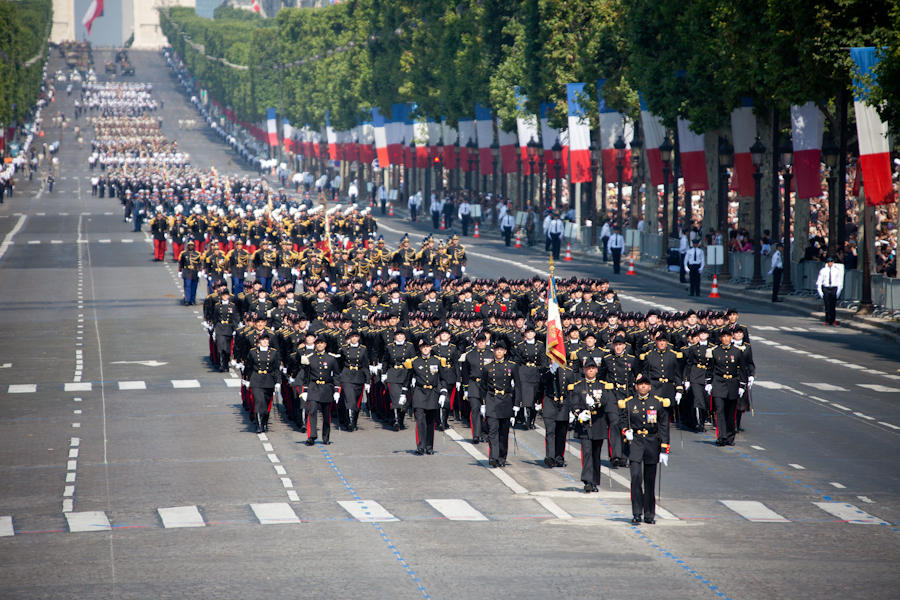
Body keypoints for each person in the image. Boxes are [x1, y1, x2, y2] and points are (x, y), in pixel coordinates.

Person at [618, 373, 670, 524]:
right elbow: (622, 421)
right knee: (635, 478)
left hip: (652, 443)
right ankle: (636, 513)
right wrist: (625, 431)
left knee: (649, 481)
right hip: (636, 443)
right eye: (640, 384)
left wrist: (664, 450)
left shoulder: (658, 403)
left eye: (646, 384)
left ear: (650, 386)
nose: (643, 386)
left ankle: (649, 514)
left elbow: (663, 427)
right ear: (636, 386)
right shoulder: (629, 403)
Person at [567, 358, 612, 493]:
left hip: (598, 423)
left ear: (596, 370)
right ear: (584, 370)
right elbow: (573, 402)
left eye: (593, 368)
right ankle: (587, 480)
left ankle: (594, 481)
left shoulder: (602, 386)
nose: (590, 370)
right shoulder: (579, 386)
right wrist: (579, 414)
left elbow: (605, 401)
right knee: (587, 452)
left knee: (596, 454)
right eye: (588, 368)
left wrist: (596, 404)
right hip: (585, 425)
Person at [402, 338, 450, 455]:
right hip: (419, 392)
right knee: (420, 420)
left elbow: (443, 379)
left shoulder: (437, 361)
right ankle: (421, 446)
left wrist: (443, 393)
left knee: (430, 421)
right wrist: (403, 393)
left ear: (431, 348)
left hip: (433, 393)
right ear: (420, 348)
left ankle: (429, 446)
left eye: (427, 346)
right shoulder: (414, 361)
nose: (425, 349)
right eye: (423, 347)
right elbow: (407, 379)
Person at [704, 327, 747, 446]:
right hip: (719, 383)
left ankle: (730, 437)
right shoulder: (715, 351)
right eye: (723, 336)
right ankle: (721, 437)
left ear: (731, 337)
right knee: (720, 411)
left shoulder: (737, 351)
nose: (726, 338)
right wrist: (708, 383)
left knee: (730, 413)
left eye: (728, 336)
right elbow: (710, 369)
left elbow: (743, 369)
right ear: (720, 338)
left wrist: (742, 386)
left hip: (733, 384)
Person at [481, 339, 517, 468]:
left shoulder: (511, 366)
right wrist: (483, 404)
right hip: (492, 399)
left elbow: (517, 386)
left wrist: (516, 405)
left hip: (506, 401)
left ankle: (502, 457)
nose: (499, 352)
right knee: (493, 430)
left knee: (503, 432)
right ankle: (493, 457)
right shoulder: (487, 367)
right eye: (497, 350)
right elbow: (483, 386)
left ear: (505, 352)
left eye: (501, 350)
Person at [299, 336, 341, 445]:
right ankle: (311, 436)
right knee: (312, 411)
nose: (320, 345)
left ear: (325, 345)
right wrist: (305, 390)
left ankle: (326, 437)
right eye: (318, 343)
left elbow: (336, 375)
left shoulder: (331, 358)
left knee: (326, 415)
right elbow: (306, 376)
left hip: (326, 388)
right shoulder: (310, 358)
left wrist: (337, 390)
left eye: (322, 343)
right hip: (314, 387)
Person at [244, 333, 282, 433]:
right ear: (259, 341)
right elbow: (248, 367)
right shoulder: (252, 352)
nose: (265, 342)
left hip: (269, 379)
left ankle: (264, 422)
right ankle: (259, 425)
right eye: (263, 340)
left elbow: (276, 368)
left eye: (266, 340)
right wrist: (247, 380)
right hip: (256, 379)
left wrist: (278, 381)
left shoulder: (273, 352)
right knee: (258, 402)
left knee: (266, 403)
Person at [338, 330, 370, 432]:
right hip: (347, 375)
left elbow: (365, 365)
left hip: (359, 375)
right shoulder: (343, 348)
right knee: (349, 398)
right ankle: (349, 422)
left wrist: (368, 380)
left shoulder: (363, 349)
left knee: (356, 401)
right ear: (350, 338)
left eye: (356, 337)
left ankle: (354, 421)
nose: (354, 338)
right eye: (352, 337)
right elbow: (339, 364)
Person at [816, 256, 842, 325]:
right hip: (826, 288)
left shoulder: (836, 271)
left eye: (831, 262)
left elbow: (839, 281)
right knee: (827, 305)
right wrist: (820, 292)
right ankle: (827, 320)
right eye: (829, 262)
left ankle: (833, 320)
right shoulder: (823, 270)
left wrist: (838, 291)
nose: (830, 263)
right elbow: (819, 281)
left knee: (833, 305)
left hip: (833, 288)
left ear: (833, 262)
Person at [178, 240, 202, 306]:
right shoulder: (184, 254)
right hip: (187, 271)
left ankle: (192, 300)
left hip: (194, 271)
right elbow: (181, 263)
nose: (191, 246)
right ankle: (187, 300)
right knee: (187, 286)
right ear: (187, 246)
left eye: (192, 245)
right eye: (189, 245)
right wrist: (180, 271)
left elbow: (200, 264)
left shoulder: (197, 254)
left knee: (194, 287)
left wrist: (200, 271)